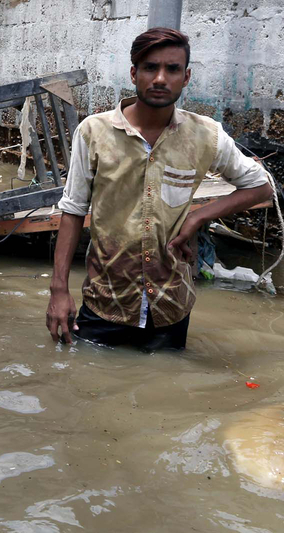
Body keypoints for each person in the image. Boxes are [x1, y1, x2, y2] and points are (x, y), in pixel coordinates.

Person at [47, 28, 272, 351]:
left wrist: (198, 216)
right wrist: (59, 290)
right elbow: (72, 210)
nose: (161, 79)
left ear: (186, 76)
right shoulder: (94, 133)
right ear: (134, 73)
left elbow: (261, 186)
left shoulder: (206, 135)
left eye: (173, 69)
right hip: (105, 302)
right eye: (151, 68)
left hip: (172, 306)